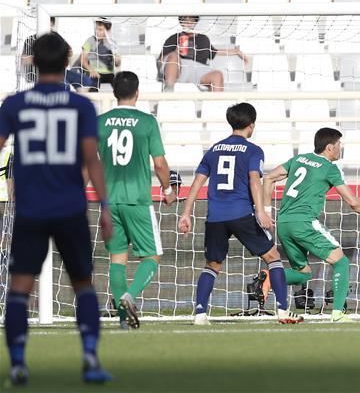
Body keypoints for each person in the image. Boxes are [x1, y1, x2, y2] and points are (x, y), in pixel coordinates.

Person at [0, 32, 113, 385]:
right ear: (67, 62)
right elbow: (91, 158)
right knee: (83, 284)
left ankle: (18, 363)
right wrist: (105, 206)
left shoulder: (14, 104)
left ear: (32, 63)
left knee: (19, 287)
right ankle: (91, 359)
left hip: (31, 209)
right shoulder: (81, 105)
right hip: (69, 207)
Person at [178, 103, 301, 325]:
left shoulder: (214, 149)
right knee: (273, 257)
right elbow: (255, 179)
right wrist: (261, 210)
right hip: (242, 214)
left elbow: (197, 183)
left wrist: (186, 213)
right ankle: (283, 311)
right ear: (251, 125)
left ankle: (199, 313)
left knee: (212, 265)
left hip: (215, 217)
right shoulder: (253, 150)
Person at [257, 127, 360, 323]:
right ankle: (338, 313)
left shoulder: (299, 159)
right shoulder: (330, 169)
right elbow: (352, 202)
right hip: (304, 222)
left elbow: (269, 177)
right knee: (341, 261)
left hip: (284, 223)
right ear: (329, 147)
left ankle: (270, 277)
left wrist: (267, 211)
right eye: (339, 145)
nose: (341, 149)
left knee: (303, 274)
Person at [98, 71, 176, 330]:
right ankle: (130, 295)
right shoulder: (147, 122)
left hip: (109, 201)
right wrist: (167, 189)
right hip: (138, 200)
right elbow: (160, 163)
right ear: (138, 92)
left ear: (114, 93)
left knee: (117, 259)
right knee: (151, 257)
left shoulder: (100, 122)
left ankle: (122, 322)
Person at [157, 15, 247, 92]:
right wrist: (176, 51)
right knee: (173, 56)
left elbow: (215, 52)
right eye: (185, 21)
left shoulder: (203, 39)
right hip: (179, 69)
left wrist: (235, 51)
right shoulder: (173, 38)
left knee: (217, 75)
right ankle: (169, 92)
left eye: (191, 20)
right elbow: (161, 61)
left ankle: (217, 106)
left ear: (195, 22)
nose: (188, 23)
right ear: (181, 23)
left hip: (197, 69)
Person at [78, 18, 121, 88]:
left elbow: (117, 64)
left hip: (109, 74)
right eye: (96, 29)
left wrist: (117, 59)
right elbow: (83, 60)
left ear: (107, 31)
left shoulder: (112, 43)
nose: (97, 32)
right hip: (95, 73)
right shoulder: (90, 40)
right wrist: (91, 70)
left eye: (100, 29)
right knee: (93, 87)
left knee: (119, 87)